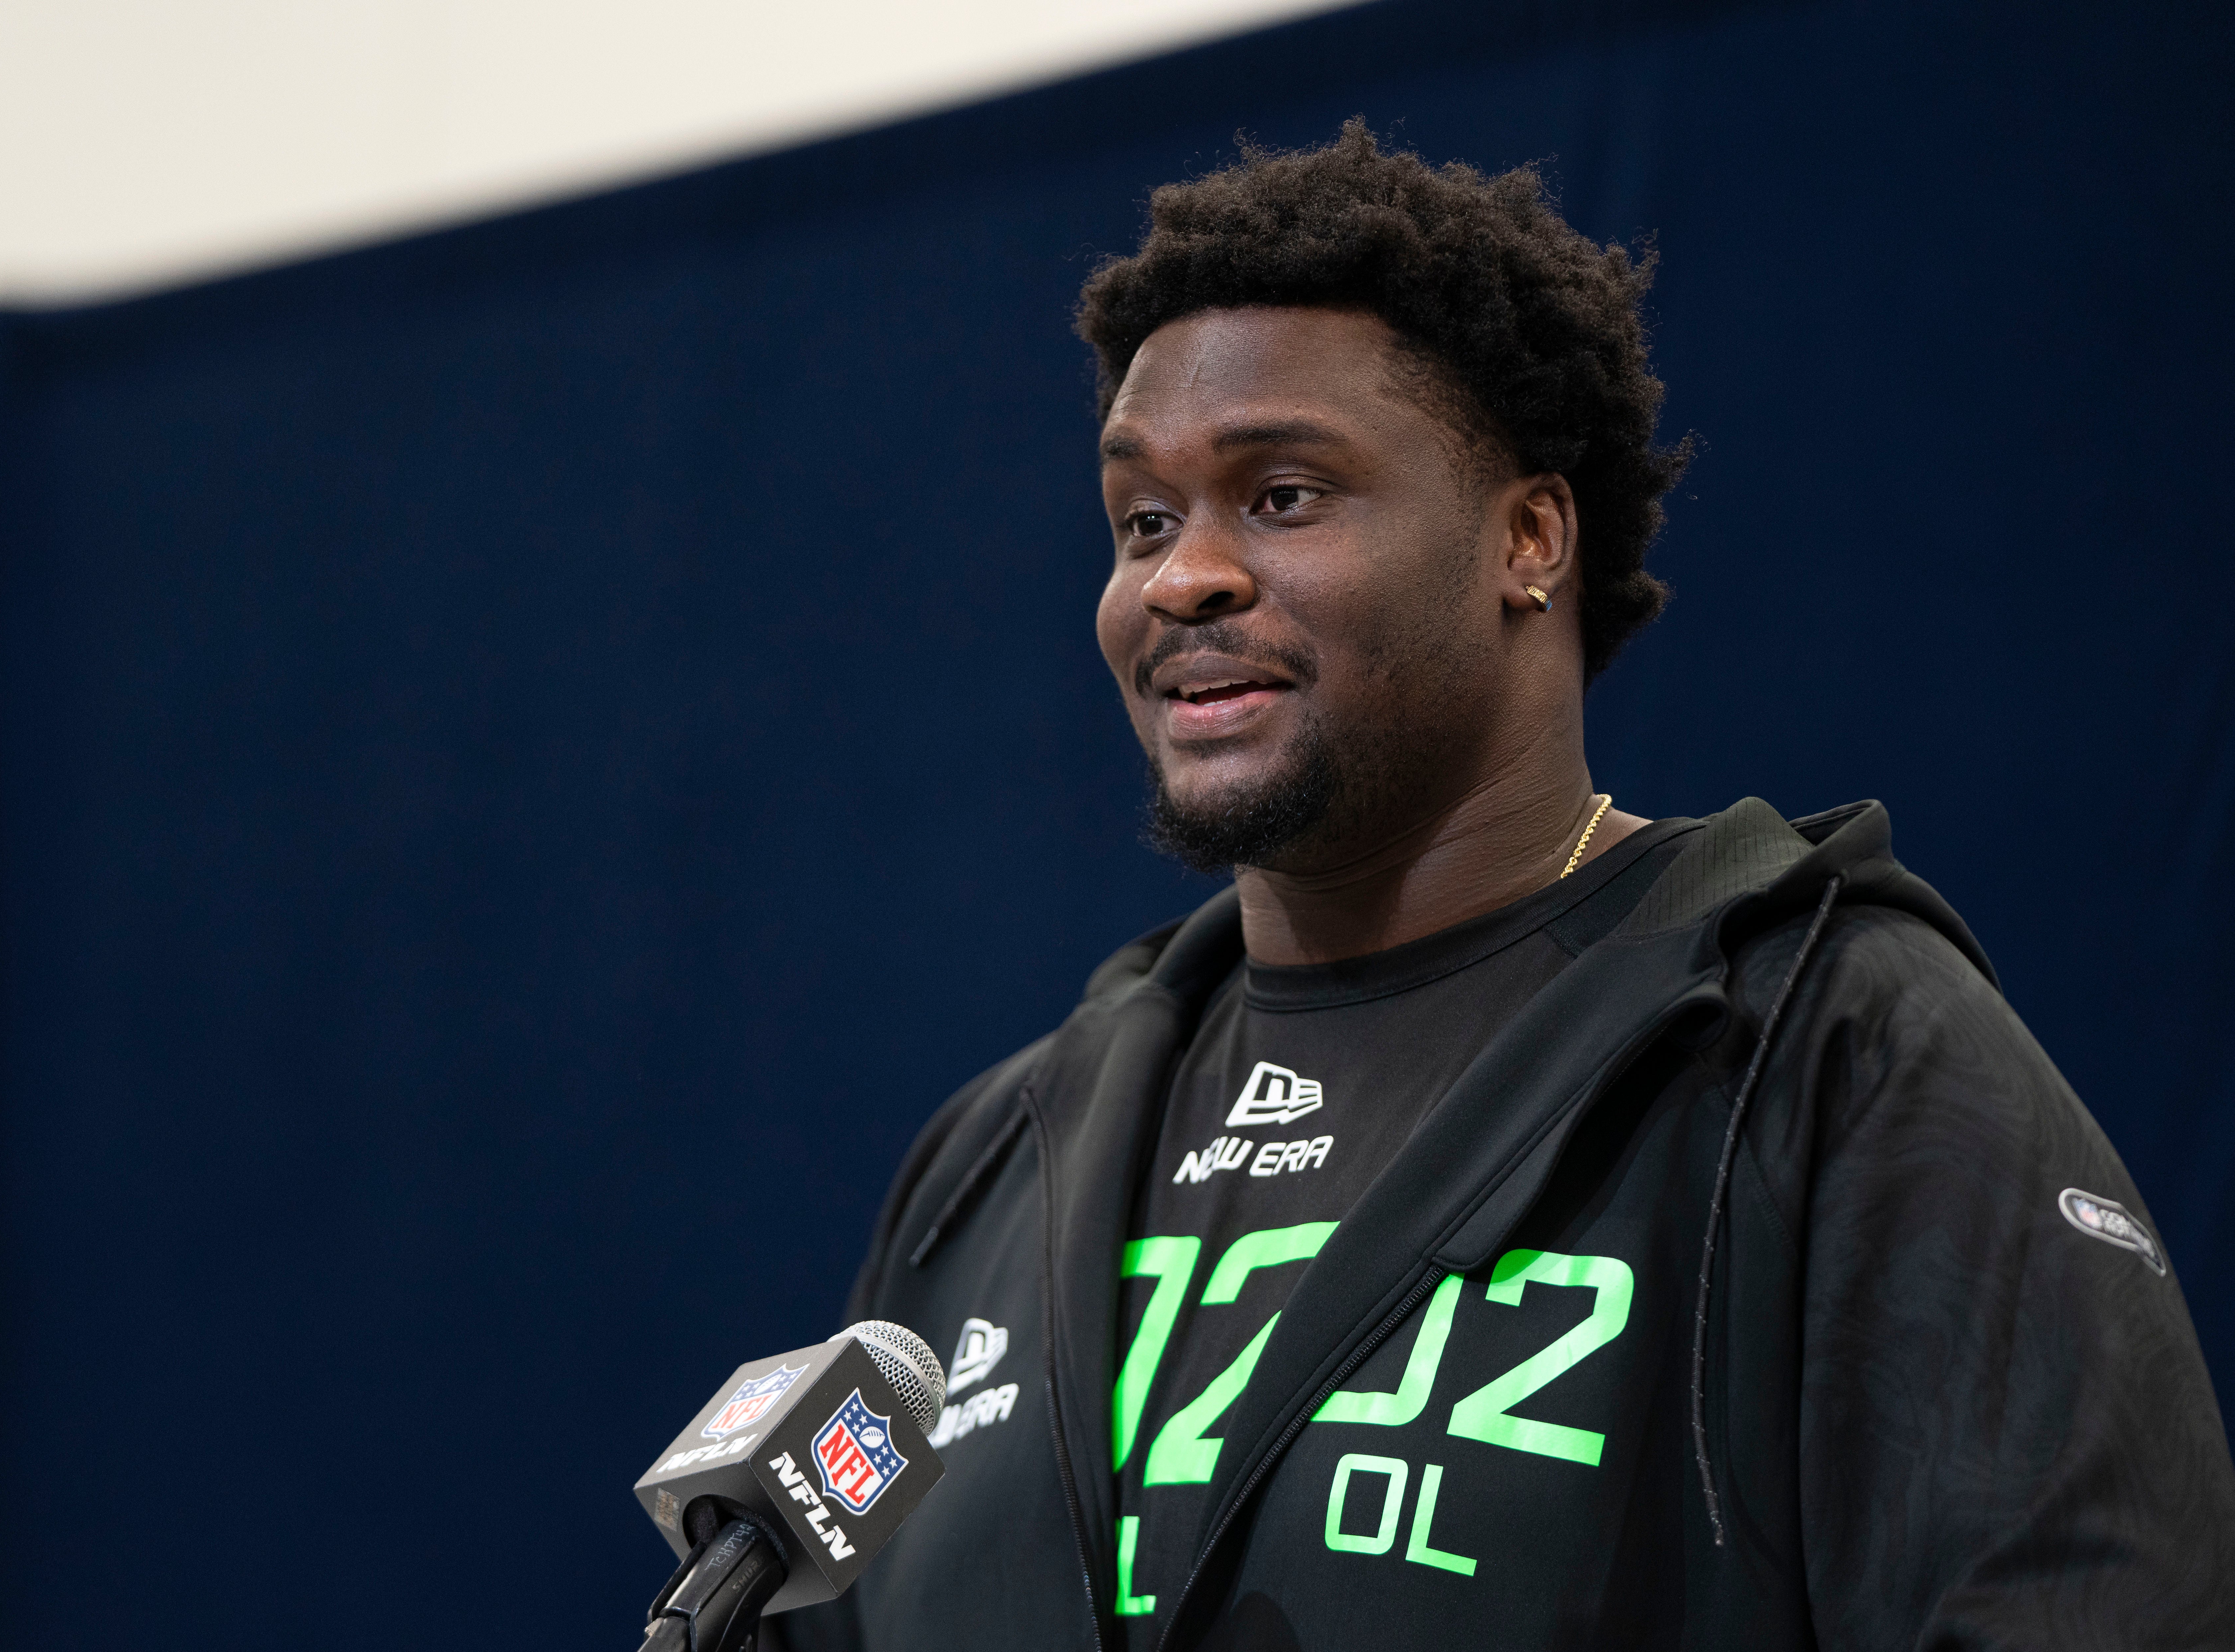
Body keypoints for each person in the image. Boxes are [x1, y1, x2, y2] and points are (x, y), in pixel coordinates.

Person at [770, 123, 2235, 1651]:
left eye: (1280, 495)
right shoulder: (999, 1156)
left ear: (1527, 537)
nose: (1177, 578)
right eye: (1142, 520)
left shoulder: (1821, 1044)